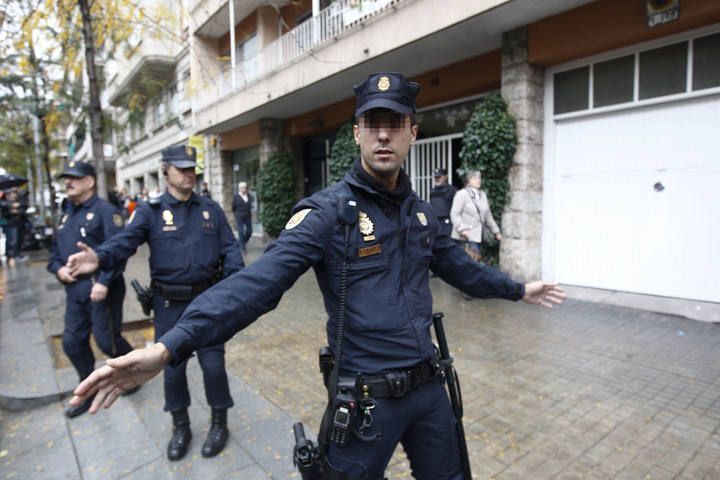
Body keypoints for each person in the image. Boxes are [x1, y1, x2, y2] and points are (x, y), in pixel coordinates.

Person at [68, 73, 564, 479]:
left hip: (429, 391)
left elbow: (461, 269)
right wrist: (169, 346)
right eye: (372, 123)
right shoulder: (328, 214)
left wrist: (518, 289)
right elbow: (258, 284)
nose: (384, 134)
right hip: (367, 403)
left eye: (395, 123)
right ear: (356, 133)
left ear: (414, 131)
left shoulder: (421, 214)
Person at [68, 146, 244, 460]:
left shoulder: (210, 209)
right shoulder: (150, 211)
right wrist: (99, 257)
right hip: (169, 306)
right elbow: (124, 242)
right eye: (182, 168)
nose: (189, 173)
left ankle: (220, 423)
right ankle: (181, 426)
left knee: (214, 366)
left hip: (208, 301)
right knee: (172, 370)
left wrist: (232, 289)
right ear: (165, 171)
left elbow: (231, 251)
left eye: (192, 168)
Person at [46, 161, 137, 418]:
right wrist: (58, 270)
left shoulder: (106, 212)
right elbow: (55, 253)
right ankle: (87, 388)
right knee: (72, 342)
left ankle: (135, 369)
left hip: (101, 289)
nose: (68, 182)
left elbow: (119, 250)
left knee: (107, 341)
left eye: (74, 178)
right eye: (66, 178)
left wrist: (104, 281)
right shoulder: (66, 214)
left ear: (90, 181)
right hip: (74, 290)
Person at [450, 170, 502, 261]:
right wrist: (462, 228)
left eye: (479, 178)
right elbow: (454, 214)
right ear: (468, 180)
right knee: (469, 264)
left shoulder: (483, 195)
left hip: (478, 236)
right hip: (464, 237)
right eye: (474, 178)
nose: (478, 180)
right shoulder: (462, 194)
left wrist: (496, 232)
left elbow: (488, 216)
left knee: (474, 263)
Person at [1, 188, 28, 266]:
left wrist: (17, 209)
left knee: (19, 239)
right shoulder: (5, 202)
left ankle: (16, 254)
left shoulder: (20, 201)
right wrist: (11, 208)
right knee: (12, 240)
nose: (13, 195)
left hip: (19, 223)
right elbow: (5, 212)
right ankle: (11, 256)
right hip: (10, 224)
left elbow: (23, 208)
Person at [429, 168, 456, 236]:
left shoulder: (452, 190)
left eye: (439, 177)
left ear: (445, 177)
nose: (437, 179)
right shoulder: (432, 191)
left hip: (448, 222)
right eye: (435, 177)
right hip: (436, 222)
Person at [231, 181, 253, 253]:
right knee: (241, 232)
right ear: (239, 188)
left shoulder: (249, 195)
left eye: (245, 188)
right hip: (239, 216)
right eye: (242, 188)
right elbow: (233, 207)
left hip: (248, 216)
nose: (244, 189)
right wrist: (237, 213)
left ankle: (241, 243)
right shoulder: (236, 197)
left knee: (249, 232)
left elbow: (250, 204)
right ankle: (242, 248)